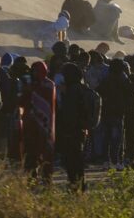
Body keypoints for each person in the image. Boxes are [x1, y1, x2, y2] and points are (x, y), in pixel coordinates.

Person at [57, 62, 92, 191]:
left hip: (72, 132)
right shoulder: (80, 87)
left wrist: (65, 130)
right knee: (77, 160)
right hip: (79, 131)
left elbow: (69, 113)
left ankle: (75, 186)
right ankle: (79, 185)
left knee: (72, 161)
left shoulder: (72, 90)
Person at [97, 58, 134, 170]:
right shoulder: (123, 78)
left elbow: (99, 90)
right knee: (117, 139)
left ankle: (106, 161)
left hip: (106, 112)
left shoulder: (106, 79)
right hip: (118, 113)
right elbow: (130, 91)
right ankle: (117, 161)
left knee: (106, 138)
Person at [20, 61, 56, 184]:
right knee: (30, 153)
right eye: (33, 70)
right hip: (30, 124)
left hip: (46, 124)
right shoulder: (29, 85)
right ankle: (31, 179)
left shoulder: (49, 85)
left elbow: (50, 104)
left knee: (46, 152)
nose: (34, 73)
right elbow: (22, 102)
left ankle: (47, 180)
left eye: (36, 70)